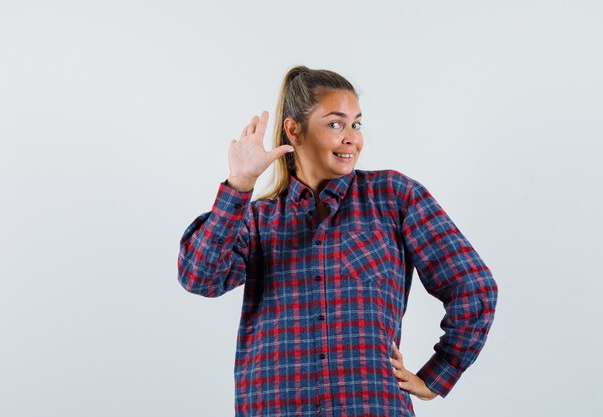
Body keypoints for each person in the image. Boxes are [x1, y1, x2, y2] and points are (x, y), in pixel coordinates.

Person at [177, 65, 498, 417]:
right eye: (335, 124)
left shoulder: (393, 196)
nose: (352, 138)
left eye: (356, 124)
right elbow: (199, 278)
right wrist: (239, 185)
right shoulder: (257, 220)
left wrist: (437, 376)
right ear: (294, 131)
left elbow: (474, 287)